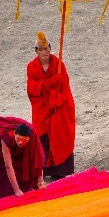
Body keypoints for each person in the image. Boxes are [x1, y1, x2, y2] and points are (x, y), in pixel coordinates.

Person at [27, 31, 76, 180]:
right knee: (42, 136)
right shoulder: (32, 67)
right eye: (41, 49)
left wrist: (61, 99)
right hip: (42, 107)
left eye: (47, 48)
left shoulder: (59, 64)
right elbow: (32, 88)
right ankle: (45, 171)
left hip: (58, 106)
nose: (44, 52)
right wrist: (50, 82)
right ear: (36, 51)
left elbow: (65, 86)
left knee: (60, 135)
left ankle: (61, 170)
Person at [0, 116, 46, 201]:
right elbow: (8, 165)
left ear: (29, 138)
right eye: (18, 139)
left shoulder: (33, 137)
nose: (21, 142)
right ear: (14, 133)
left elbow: (38, 159)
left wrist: (41, 182)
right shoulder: (6, 138)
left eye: (24, 140)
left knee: (25, 165)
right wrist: (16, 189)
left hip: (20, 146)